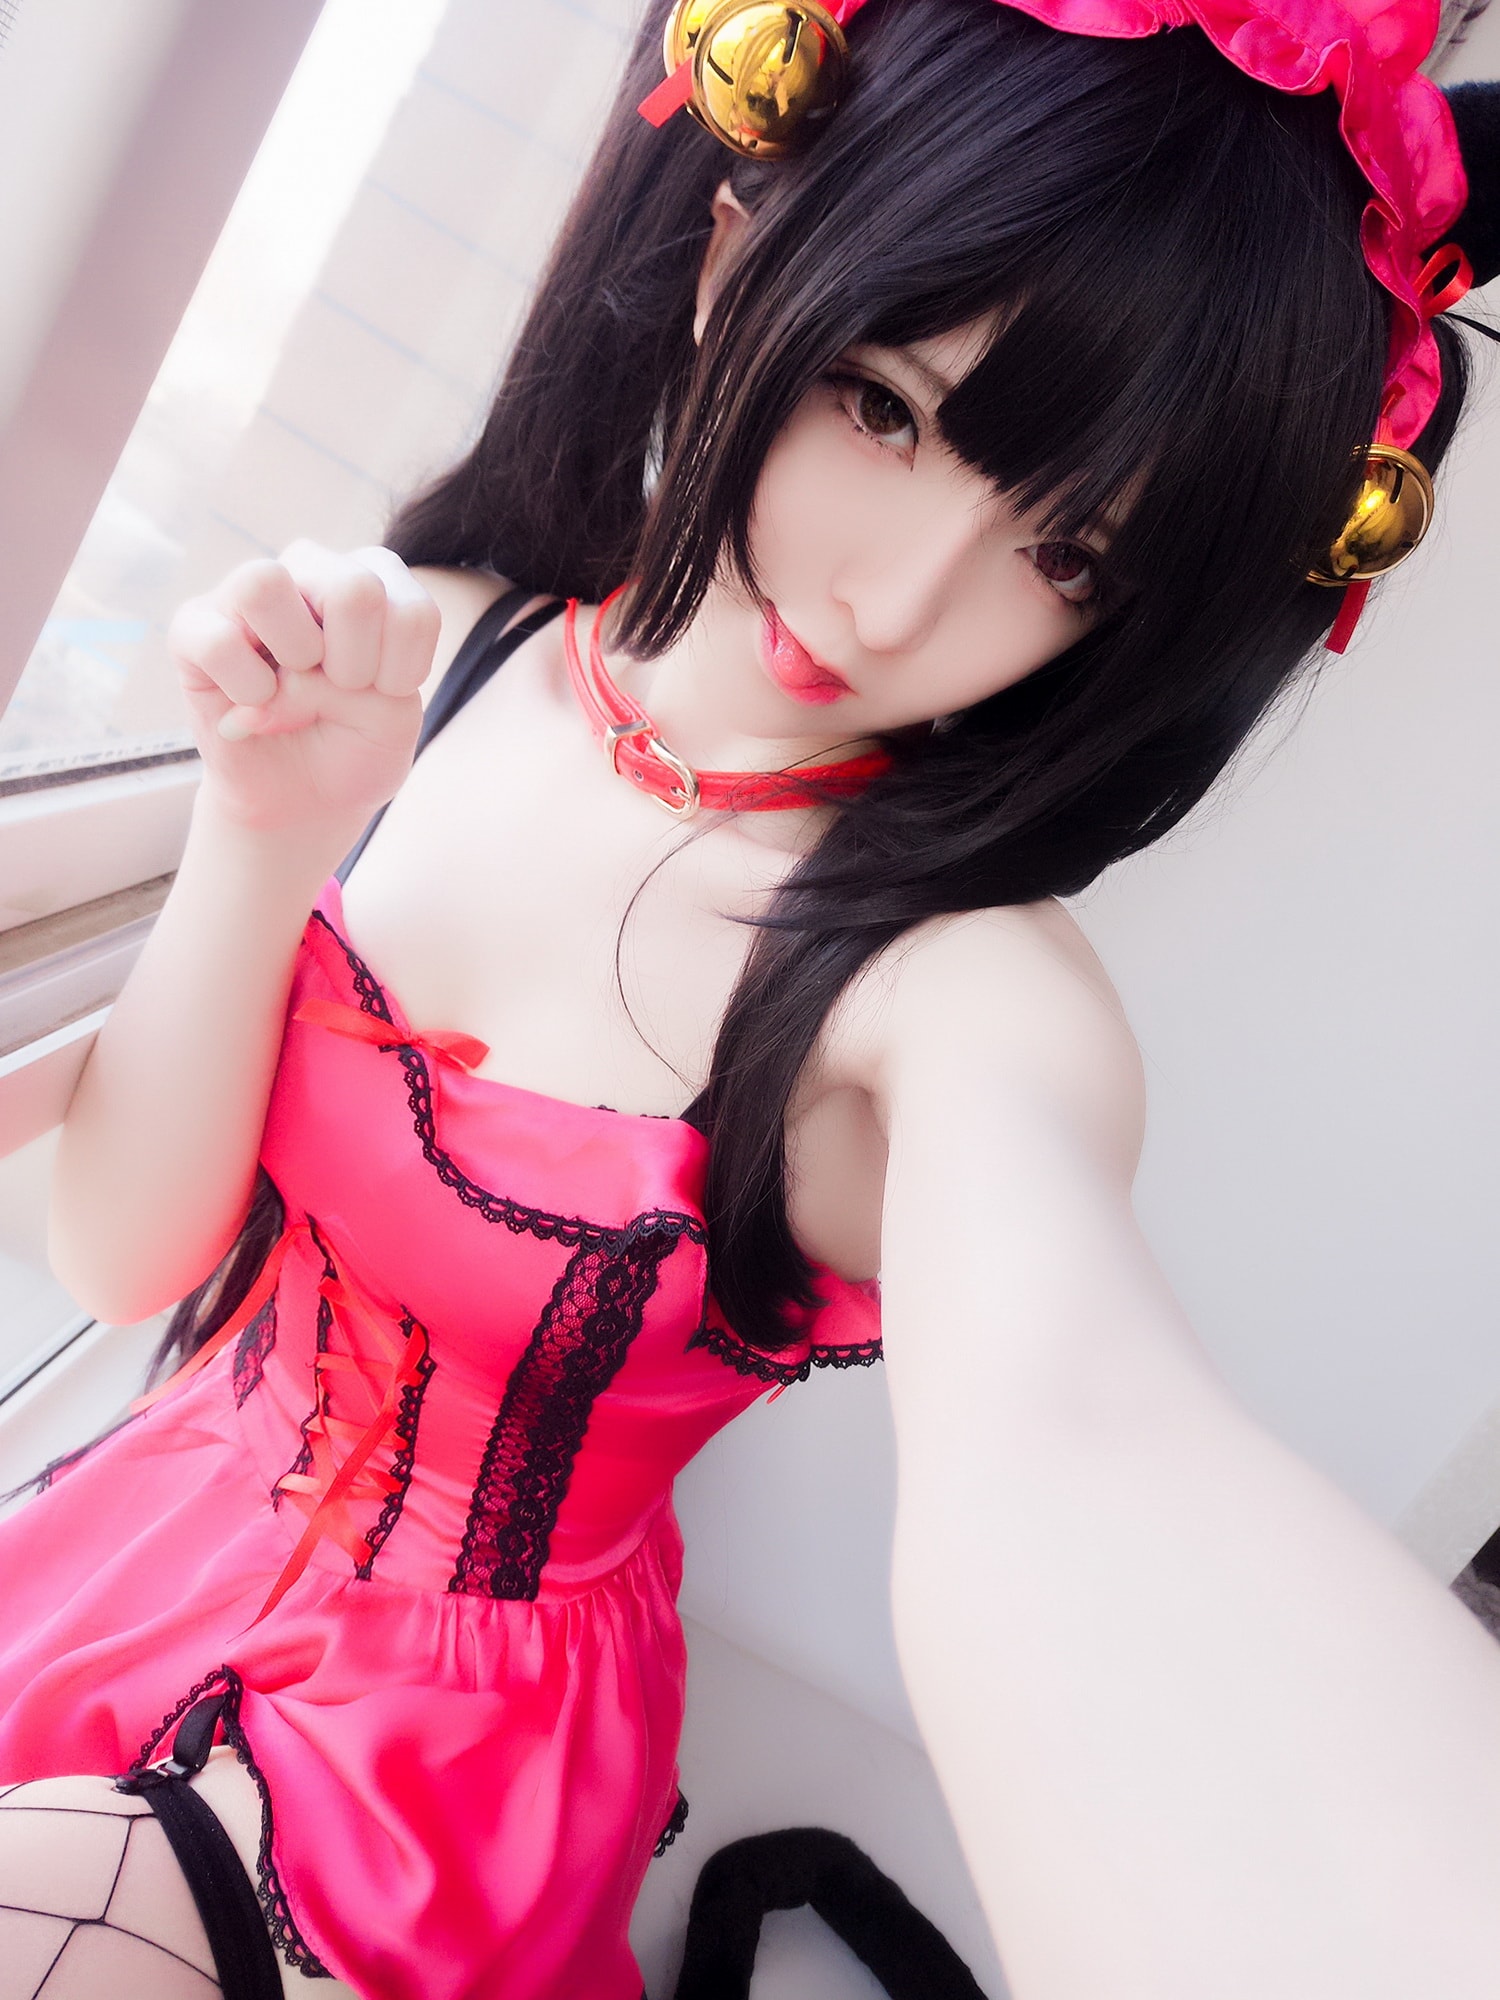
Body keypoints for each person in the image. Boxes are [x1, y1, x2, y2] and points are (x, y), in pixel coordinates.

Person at [0, 0, 1498, 1995]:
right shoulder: (437, 658)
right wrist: (260, 835)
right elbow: (124, 1253)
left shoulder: (953, 998)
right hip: (143, 1516)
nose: (897, 603)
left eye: (1068, 553)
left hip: (439, 1755)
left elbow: (1087, 1438)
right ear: (733, 247)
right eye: (886, 407)